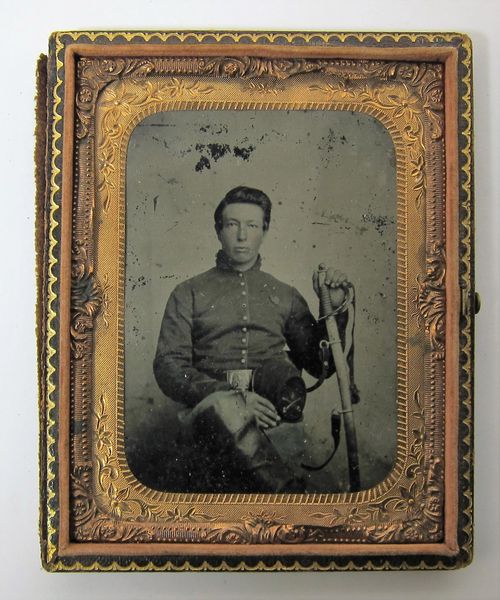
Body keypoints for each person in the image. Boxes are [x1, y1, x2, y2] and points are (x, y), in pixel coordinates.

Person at [153, 186, 349, 493]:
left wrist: (333, 308)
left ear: (265, 231)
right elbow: (169, 367)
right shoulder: (187, 292)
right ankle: (291, 497)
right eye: (232, 225)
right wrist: (234, 398)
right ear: (218, 230)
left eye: (252, 226)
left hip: (274, 413)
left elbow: (318, 364)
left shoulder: (285, 295)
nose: (242, 236)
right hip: (209, 415)